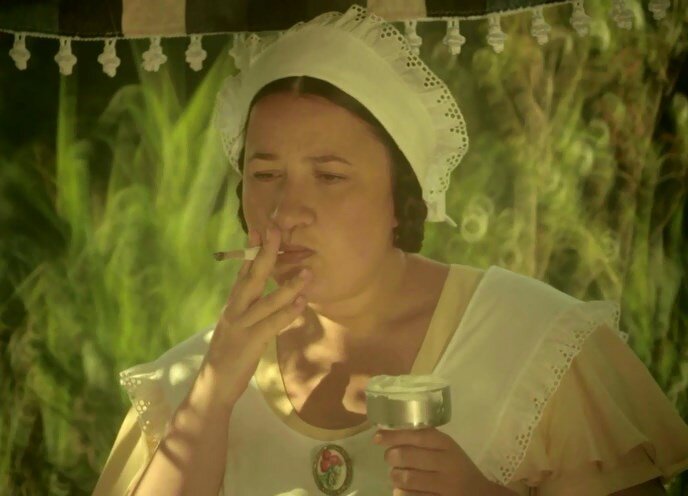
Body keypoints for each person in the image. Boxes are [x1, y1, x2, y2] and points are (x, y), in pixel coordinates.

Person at [92, 5, 688, 495]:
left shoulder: (534, 343)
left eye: (329, 176)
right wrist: (213, 394)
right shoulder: (191, 378)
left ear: (401, 198)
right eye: (265, 175)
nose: (285, 213)